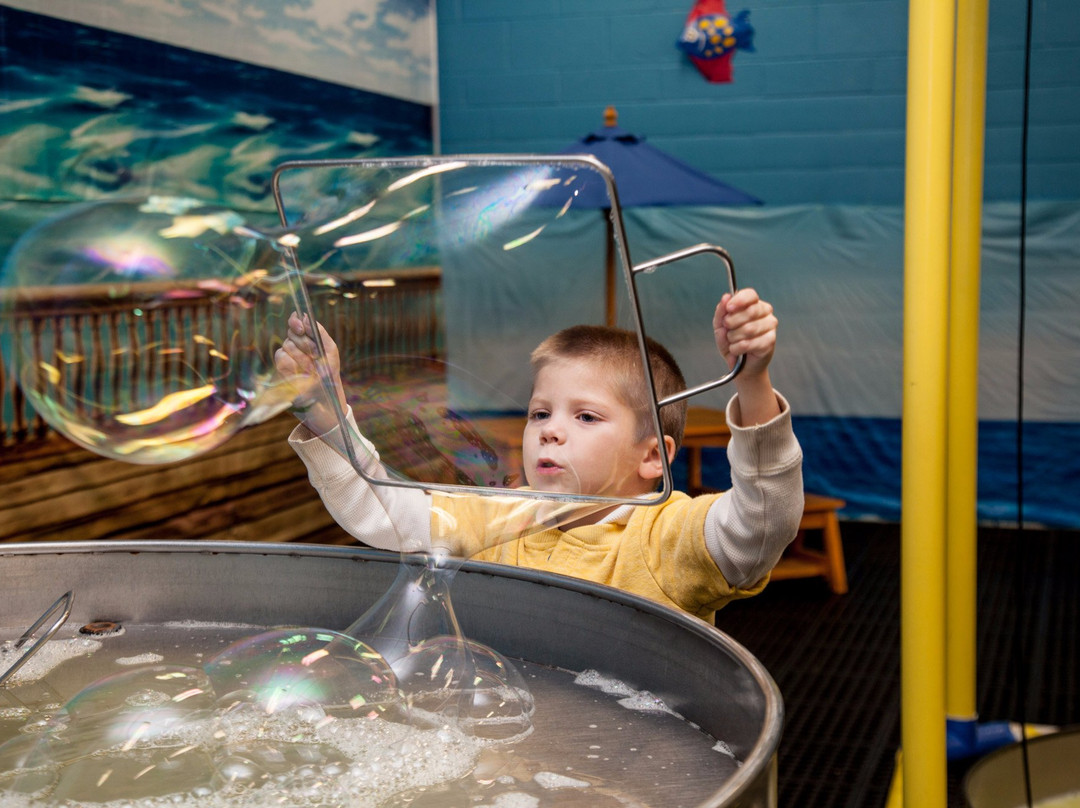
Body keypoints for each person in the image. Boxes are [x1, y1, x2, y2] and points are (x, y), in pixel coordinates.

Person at [275, 288, 803, 622]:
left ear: (654, 459)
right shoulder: (498, 514)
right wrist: (329, 417)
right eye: (539, 413)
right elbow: (385, 513)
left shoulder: (667, 535)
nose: (550, 432)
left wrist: (753, 383)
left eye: (586, 417)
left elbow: (760, 524)